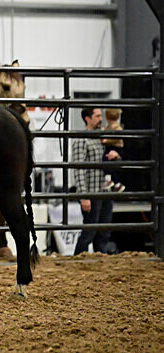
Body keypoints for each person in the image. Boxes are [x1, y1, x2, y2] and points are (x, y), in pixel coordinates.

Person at [72, 108, 119, 254]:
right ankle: (78, 258)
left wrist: (115, 155)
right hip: (91, 192)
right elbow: (78, 169)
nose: (100, 119)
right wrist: (83, 196)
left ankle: (100, 259)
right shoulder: (81, 140)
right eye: (97, 116)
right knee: (89, 230)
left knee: (104, 231)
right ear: (88, 118)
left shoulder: (102, 138)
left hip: (105, 191)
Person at [101, 108, 125, 192]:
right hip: (110, 147)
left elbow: (117, 138)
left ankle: (109, 180)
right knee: (110, 166)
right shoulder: (108, 127)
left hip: (116, 148)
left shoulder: (117, 128)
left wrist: (107, 140)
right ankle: (116, 183)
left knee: (107, 163)